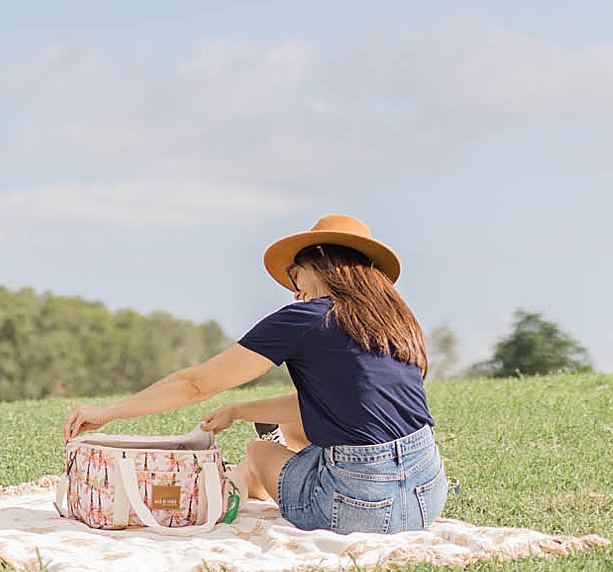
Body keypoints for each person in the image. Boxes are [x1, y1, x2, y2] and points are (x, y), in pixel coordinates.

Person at [61, 213, 447, 534]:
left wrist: (108, 412)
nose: (295, 292)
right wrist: (240, 410)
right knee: (294, 429)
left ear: (319, 262)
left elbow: (196, 384)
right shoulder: (396, 323)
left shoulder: (307, 318)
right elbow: (347, 403)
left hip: (357, 507)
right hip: (426, 494)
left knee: (259, 449)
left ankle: (244, 483)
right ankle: (256, 477)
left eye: (295, 275)